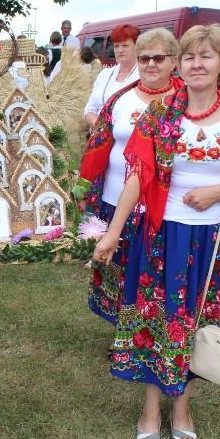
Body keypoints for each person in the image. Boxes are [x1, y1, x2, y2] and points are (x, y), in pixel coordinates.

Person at [93, 24, 220, 439]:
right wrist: (113, 235)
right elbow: (138, 177)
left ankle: (183, 409)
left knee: (197, 324)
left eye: (206, 56)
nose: (197, 63)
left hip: (216, 244)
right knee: (159, 323)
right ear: (182, 64)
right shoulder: (161, 116)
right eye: (190, 56)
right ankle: (151, 409)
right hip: (163, 236)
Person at [79, 28, 185, 325]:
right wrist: (84, 188)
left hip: (158, 208)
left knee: (150, 274)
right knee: (116, 269)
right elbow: (99, 143)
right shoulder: (120, 99)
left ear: (174, 61)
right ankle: (120, 331)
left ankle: (146, 332)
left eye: (159, 57)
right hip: (114, 200)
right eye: (144, 58)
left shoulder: (184, 102)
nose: (151, 64)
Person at [83, 24, 141, 128]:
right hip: (98, 136)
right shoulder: (105, 74)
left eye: (125, 45)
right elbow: (89, 109)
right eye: (116, 46)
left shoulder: (142, 75)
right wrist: (97, 123)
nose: (120, 50)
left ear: (137, 46)